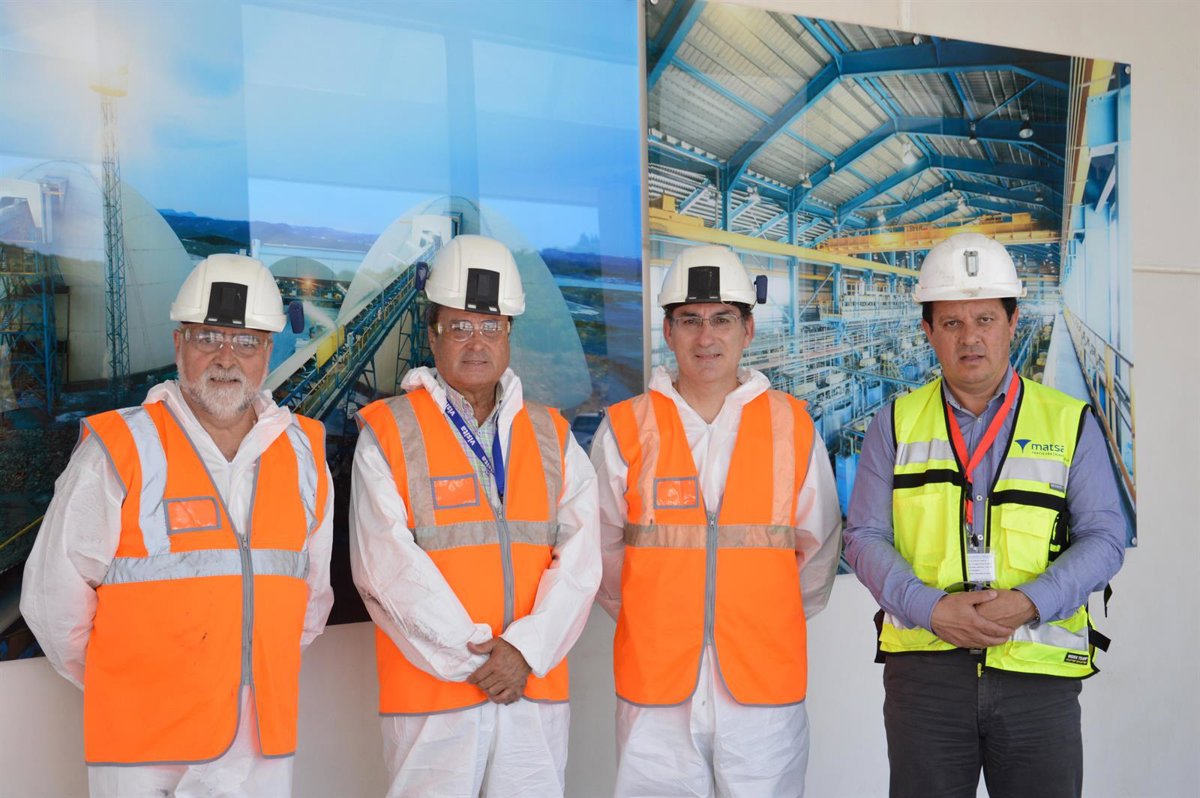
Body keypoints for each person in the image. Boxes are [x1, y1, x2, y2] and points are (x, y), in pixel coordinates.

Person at [21, 254, 334, 797]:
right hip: (142, 749)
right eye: (207, 337)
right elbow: (52, 603)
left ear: (267, 352)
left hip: (259, 742)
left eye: (246, 342)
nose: (226, 358)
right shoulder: (119, 450)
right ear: (178, 344)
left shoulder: (303, 453)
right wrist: (128, 687)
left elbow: (312, 599)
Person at [844, 232, 1126, 798]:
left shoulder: (1070, 422)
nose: (970, 337)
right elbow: (864, 537)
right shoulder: (894, 423)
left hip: (1037, 677)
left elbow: (1105, 537)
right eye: (951, 322)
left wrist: (1030, 601)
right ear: (928, 331)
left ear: (1012, 322)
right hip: (927, 678)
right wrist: (931, 608)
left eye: (985, 319)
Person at [350, 234, 600, 797]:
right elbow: (383, 568)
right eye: (460, 326)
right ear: (432, 334)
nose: (477, 342)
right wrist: (479, 661)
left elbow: (582, 564)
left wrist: (525, 651)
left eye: (491, 326)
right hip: (434, 699)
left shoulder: (553, 436)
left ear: (509, 334)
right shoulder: (389, 432)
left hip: (531, 691)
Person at [590, 244, 842, 797]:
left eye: (723, 319)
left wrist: (760, 621)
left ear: (748, 330)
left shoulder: (792, 427)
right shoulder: (626, 430)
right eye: (690, 320)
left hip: (763, 690)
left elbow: (819, 551)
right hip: (655, 691)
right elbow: (602, 557)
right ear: (668, 330)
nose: (706, 337)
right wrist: (655, 620)